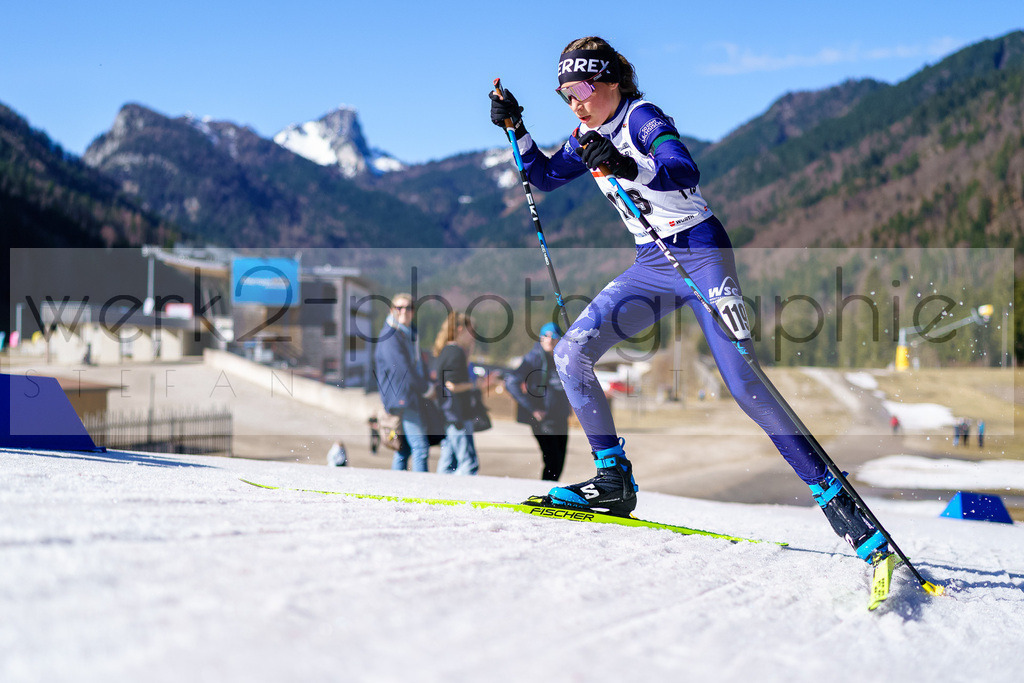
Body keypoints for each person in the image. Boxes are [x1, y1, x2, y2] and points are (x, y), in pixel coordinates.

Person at [489, 36, 889, 564]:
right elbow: (541, 176)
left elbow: (683, 169)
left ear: (610, 81)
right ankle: (614, 480)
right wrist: (515, 125)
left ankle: (834, 497)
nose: (576, 102)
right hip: (652, 264)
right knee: (570, 353)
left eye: (582, 88)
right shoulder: (584, 134)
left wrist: (629, 167)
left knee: (745, 382)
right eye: (565, 94)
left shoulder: (640, 117)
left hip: (701, 253)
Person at [374, 293, 435, 472]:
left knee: (404, 449)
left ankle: (397, 489)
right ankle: (420, 493)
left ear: (413, 311)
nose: (404, 311)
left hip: (405, 395)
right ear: (391, 310)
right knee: (420, 448)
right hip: (402, 397)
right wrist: (426, 389)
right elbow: (402, 369)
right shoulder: (390, 336)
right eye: (399, 307)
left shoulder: (407, 334)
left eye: (408, 307)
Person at [505, 322, 572, 481]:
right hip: (543, 419)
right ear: (541, 339)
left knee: (560, 460)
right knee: (552, 459)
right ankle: (546, 493)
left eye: (554, 336)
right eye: (546, 336)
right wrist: (532, 408)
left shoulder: (563, 358)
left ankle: (551, 492)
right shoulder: (533, 358)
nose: (550, 339)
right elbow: (511, 382)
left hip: (560, 417)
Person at [433, 312, 480, 475]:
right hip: (458, 414)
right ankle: (464, 497)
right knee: (470, 463)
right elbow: (451, 385)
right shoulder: (455, 352)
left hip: (449, 413)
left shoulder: (446, 350)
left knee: (448, 462)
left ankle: (440, 493)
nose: (474, 335)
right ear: (460, 330)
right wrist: (476, 384)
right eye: (471, 331)